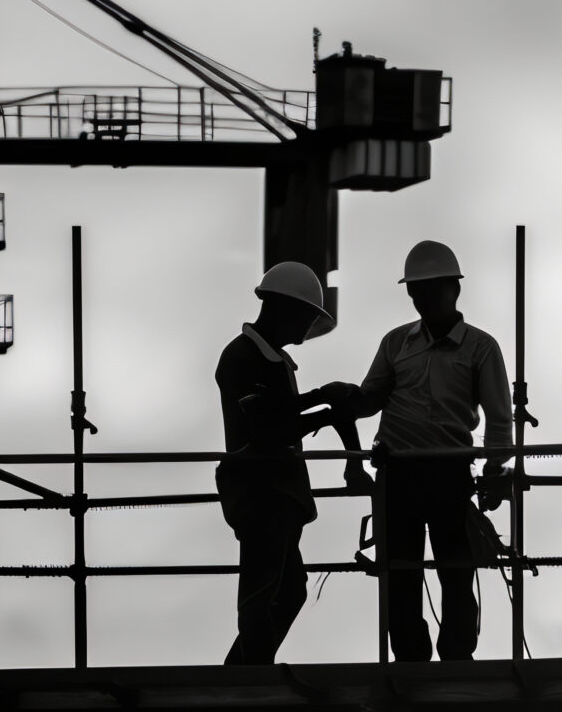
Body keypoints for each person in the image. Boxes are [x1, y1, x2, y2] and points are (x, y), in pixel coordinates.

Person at [341, 240, 512, 661]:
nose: (420, 299)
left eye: (428, 290)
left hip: (449, 475)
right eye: (415, 291)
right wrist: (341, 403)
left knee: (456, 572)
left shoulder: (480, 348)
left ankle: (456, 656)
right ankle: (410, 660)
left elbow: (499, 419)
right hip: (397, 474)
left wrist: (493, 470)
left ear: (453, 289)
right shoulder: (396, 343)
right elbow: (370, 399)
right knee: (400, 574)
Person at [214, 262, 365, 665]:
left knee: (288, 587)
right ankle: (249, 679)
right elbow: (269, 427)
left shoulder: (272, 359)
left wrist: (350, 455)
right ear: (284, 309)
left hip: (280, 491)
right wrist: (323, 400)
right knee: (262, 591)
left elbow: (285, 416)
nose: (309, 328)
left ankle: (243, 669)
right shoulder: (242, 358)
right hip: (259, 491)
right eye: (307, 317)